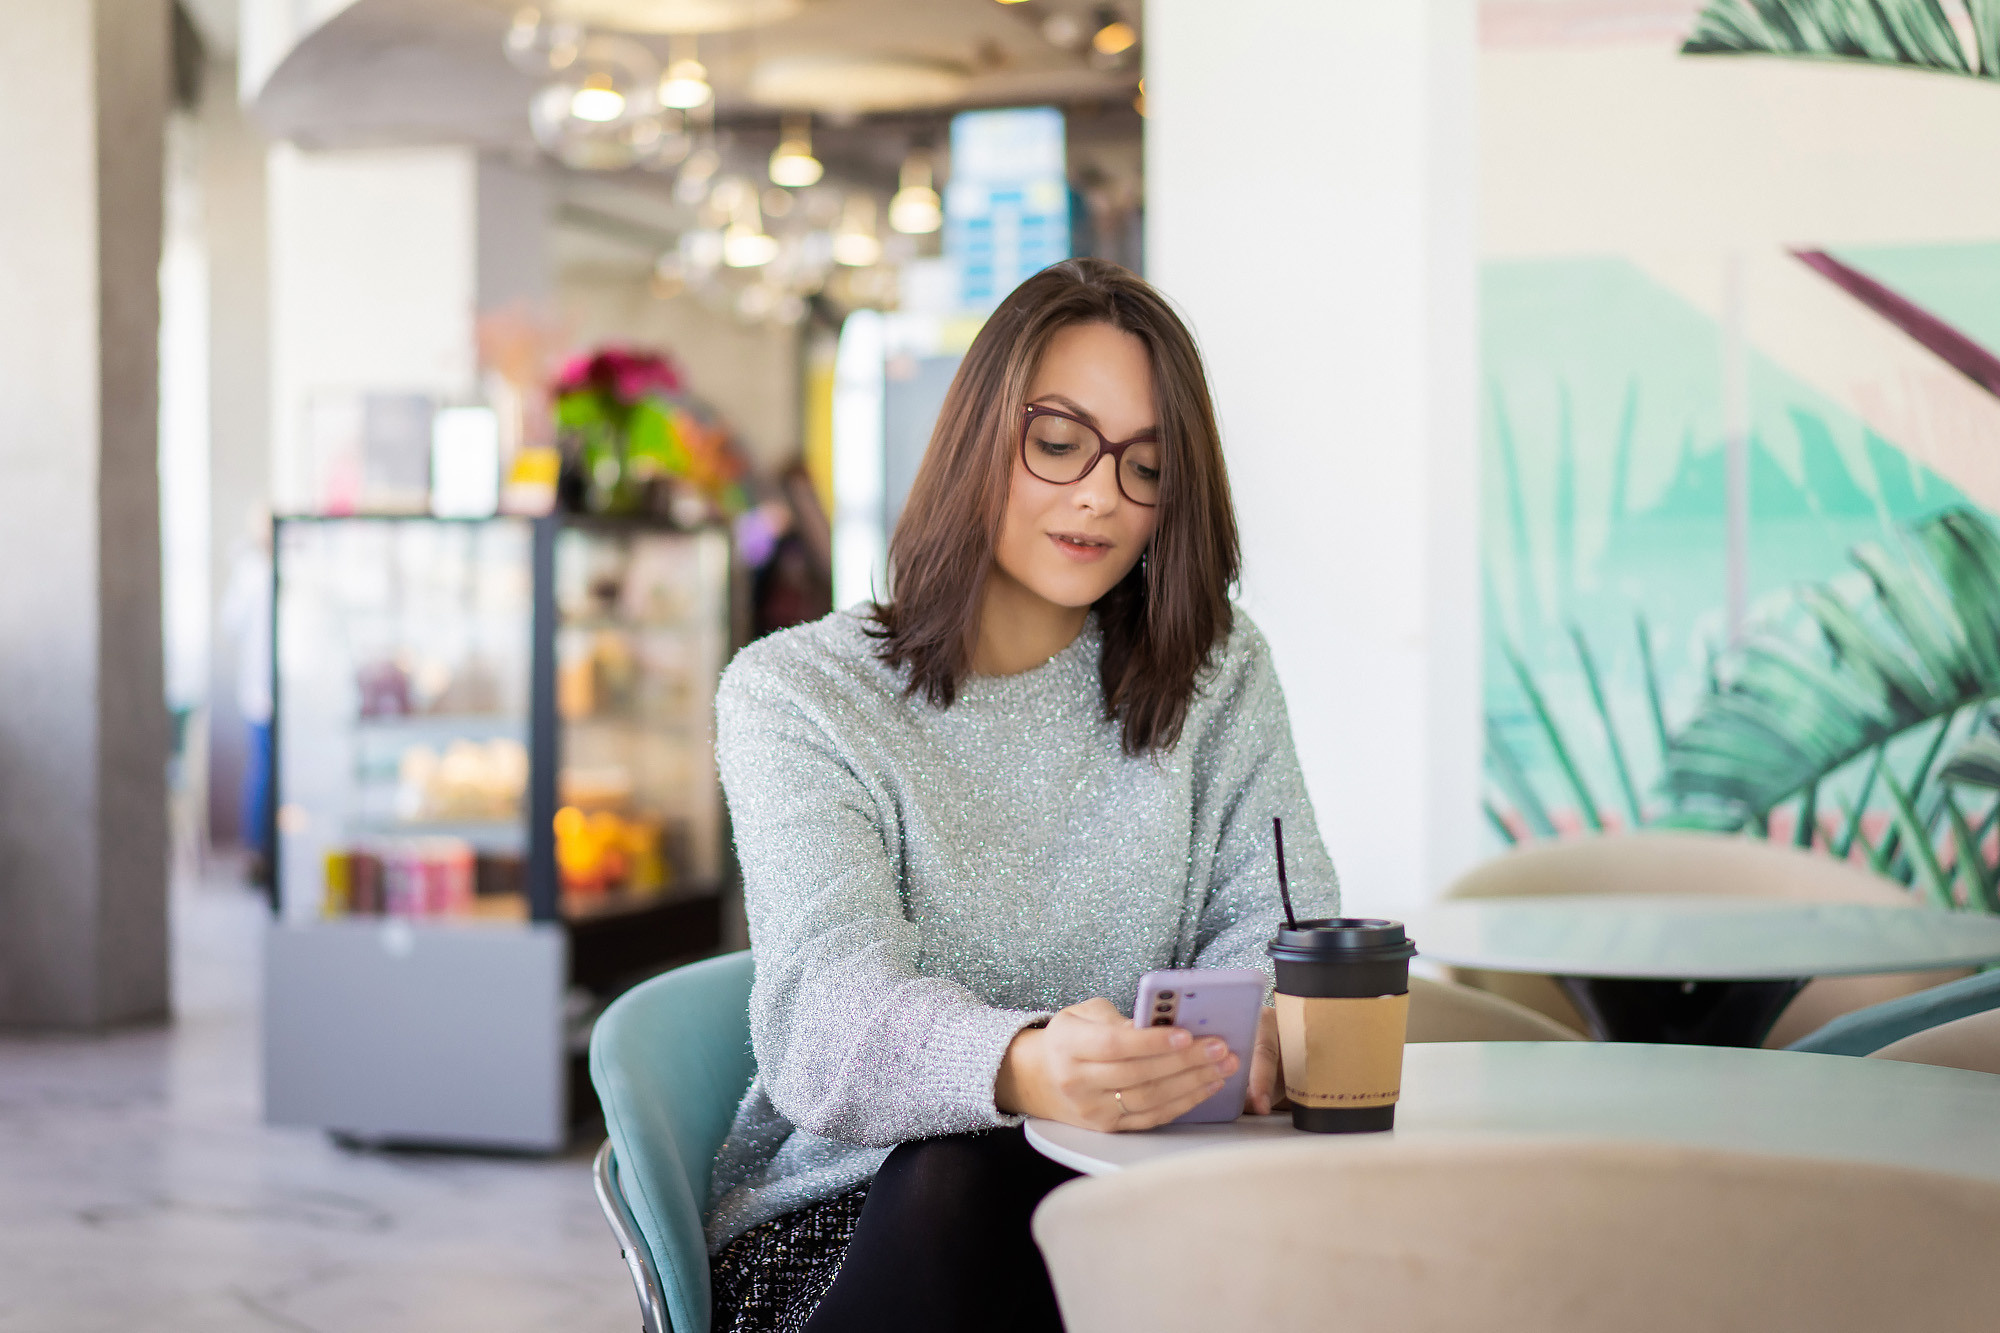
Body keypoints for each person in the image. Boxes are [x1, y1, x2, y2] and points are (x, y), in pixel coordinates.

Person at [705, 258, 1340, 1332]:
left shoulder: (1214, 668)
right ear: (977, 436)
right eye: (1057, 443)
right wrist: (1020, 1064)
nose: (1098, 495)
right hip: (855, 1217)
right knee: (960, 1182)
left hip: (1145, 1192)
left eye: (1144, 466)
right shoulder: (798, 692)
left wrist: (1267, 1029)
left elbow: (1277, 922)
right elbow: (825, 1016)